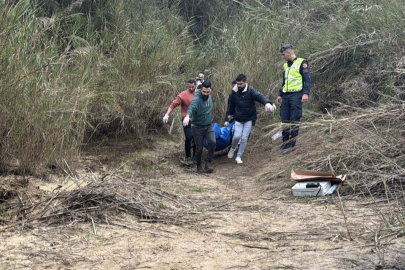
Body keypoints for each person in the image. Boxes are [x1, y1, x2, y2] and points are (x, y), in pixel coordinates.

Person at [225, 74, 276, 164]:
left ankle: (239, 156)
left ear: (245, 82)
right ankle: (233, 148)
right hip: (238, 118)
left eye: (240, 84)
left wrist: (267, 103)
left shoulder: (250, 91)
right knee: (236, 136)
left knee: (244, 138)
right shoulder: (234, 91)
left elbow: (260, 96)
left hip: (249, 118)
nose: (239, 85)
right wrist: (228, 117)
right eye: (237, 83)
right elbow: (231, 105)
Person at [277, 44, 312, 154]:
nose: (283, 57)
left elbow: (308, 80)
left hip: (297, 94)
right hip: (286, 95)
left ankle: (292, 143)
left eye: (283, 55)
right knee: (284, 119)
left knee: (294, 118)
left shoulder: (302, 62)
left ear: (289, 53)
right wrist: (280, 94)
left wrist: (306, 93)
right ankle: (285, 142)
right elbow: (284, 82)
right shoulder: (285, 66)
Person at [183, 81, 216, 173]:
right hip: (197, 127)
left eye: (207, 92)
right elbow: (192, 107)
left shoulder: (209, 97)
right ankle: (199, 165)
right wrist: (187, 116)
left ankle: (208, 162)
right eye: (204, 92)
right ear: (200, 90)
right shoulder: (197, 99)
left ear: (210, 91)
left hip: (208, 125)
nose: (205, 94)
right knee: (199, 147)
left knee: (213, 142)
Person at [163, 78, 197, 165]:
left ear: (195, 85)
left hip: (197, 120)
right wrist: (167, 114)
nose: (191, 88)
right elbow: (173, 104)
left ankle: (195, 156)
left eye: (192, 87)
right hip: (186, 119)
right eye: (189, 87)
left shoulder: (198, 93)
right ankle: (188, 156)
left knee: (197, 138)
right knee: (189, 137)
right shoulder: (183, 95)